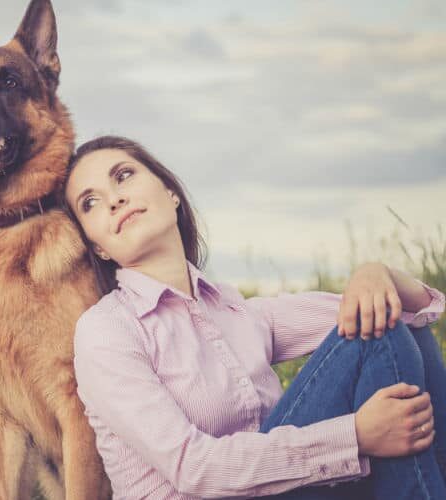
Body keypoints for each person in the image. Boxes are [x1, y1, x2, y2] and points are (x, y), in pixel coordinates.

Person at [61, 135, 446, 499]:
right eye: (90, 203)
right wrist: (357, 435)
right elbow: (192, 468)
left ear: (170, 192)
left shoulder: (234, 309)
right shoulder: (107, 331)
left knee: (382, 323)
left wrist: (375, 272)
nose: (113, 199)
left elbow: (398, 309)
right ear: (98, 246)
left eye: (123, 175)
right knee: (379, 329)